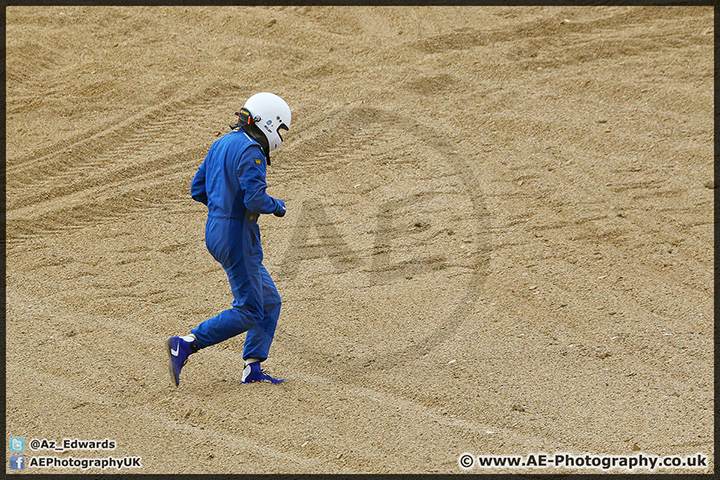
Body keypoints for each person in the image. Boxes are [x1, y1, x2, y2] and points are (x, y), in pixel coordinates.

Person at [166, 92, 291, 386]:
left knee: (270, 301)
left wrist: (222, 209)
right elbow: (256, 199)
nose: (281, 136)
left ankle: (253, 368)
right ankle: (187, 343)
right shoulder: (252, 150)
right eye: (282, 128)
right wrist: (278, 206)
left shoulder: (221, 143)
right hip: (237, 236)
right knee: (250, 308)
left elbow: (197, 188)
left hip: (216, 229)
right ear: (269, 121)